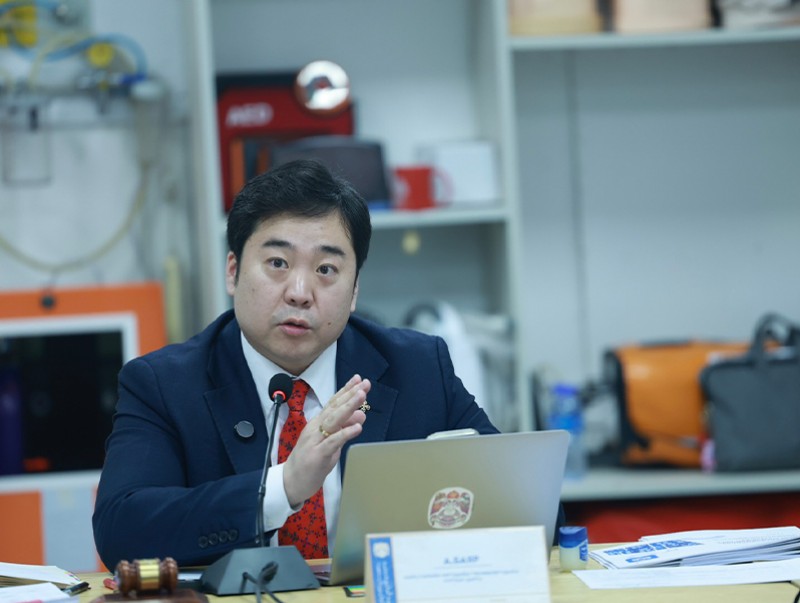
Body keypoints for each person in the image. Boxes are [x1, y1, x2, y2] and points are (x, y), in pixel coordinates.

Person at [92, 159, 499, 569]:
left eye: (326, 269)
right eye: (278, 264)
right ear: (233, 272)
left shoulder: (418, 368)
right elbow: (121, 531)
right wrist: (283, 487)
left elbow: (515, 499)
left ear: (354, 291)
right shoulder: (163, 384)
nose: (300, 292)